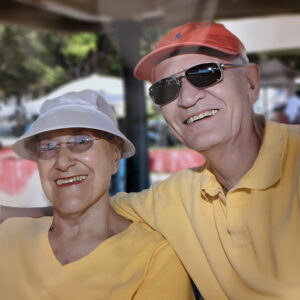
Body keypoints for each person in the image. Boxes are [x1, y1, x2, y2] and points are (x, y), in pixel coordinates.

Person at [1, 22, 300, 299]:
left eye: (206, 73)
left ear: (250, 82)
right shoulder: (177, 197)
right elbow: (88, 204)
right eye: (167, 88)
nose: (186, 99)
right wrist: (34, 212)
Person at [0, 89, 194, 299]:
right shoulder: (10, 235)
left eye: (82, 141)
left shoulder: (154, 258)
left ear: (115, 157)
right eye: (48, 147)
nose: (63, 162)